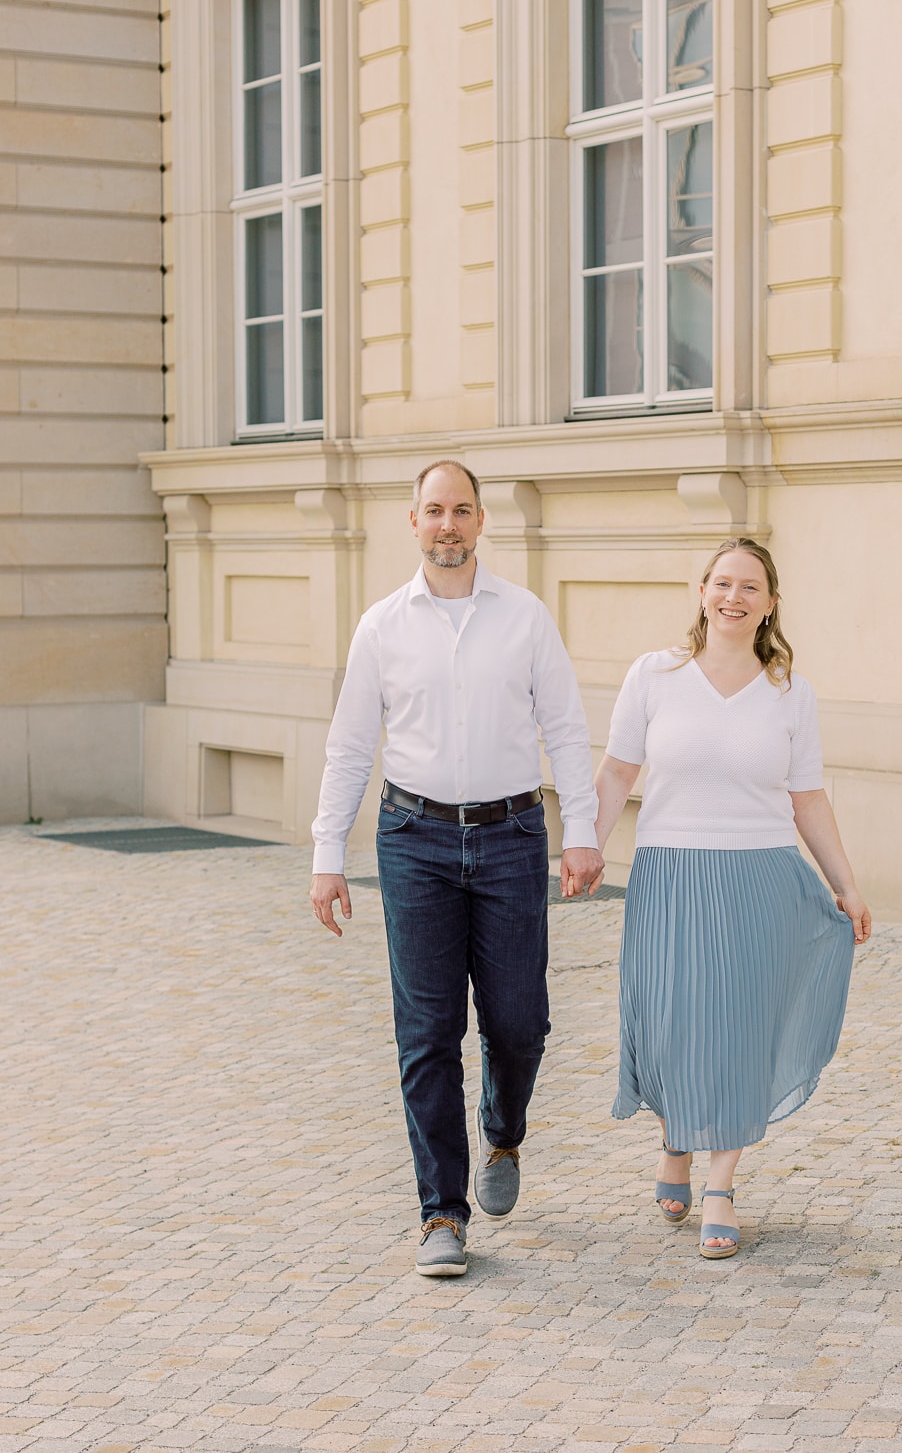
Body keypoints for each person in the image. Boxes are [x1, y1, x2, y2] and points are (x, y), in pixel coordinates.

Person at [309, 460, 605, 1279]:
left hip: (511, 837)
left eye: (462, 510)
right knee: (428, 1031)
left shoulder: (526, 618)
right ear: (413, 521)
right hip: (414, 841)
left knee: (519, 1021)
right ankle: (441, 1209)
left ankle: (502, 1130)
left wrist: (580, 830)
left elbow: (568, 729)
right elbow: (350, 747)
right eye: (434, 510)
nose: (448, 524)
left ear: (481, 522)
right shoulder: (381, 627)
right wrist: (327, 854)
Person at [592, 536, 870, 1259]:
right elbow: (619, 771)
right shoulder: (655, 675)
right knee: (670, 1022)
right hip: (669, 875)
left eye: (751, 586)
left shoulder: (789, 692)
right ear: (703, 591)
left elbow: (807, 797)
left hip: (760, 877)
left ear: (770, 603)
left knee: (741, 1026)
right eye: (723, 582)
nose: (734, 596)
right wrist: (582, 844)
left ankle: (721, 1184)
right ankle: (675, 1140)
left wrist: (845, 884)